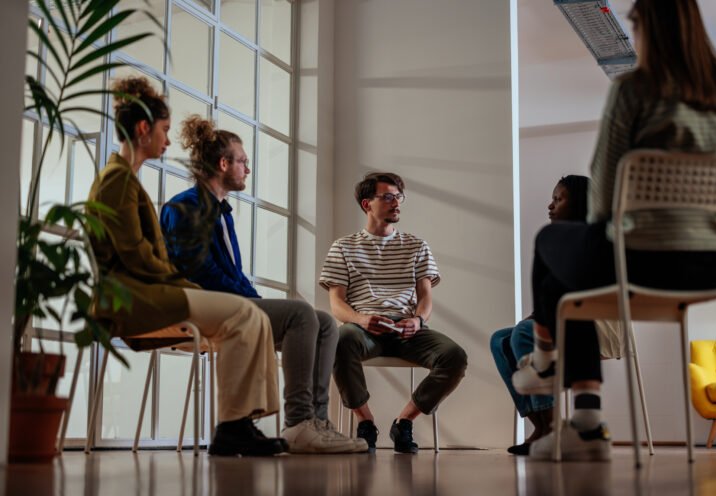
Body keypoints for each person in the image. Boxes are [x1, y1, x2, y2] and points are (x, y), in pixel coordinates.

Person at [513, 0, 716, 461]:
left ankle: (546, 361)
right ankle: (585, 423)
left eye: (635, 26)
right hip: (711, 267)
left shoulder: (635, 89)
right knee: (570, 281)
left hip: (643, 257)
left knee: (549, 242)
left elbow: (601, 197)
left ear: (645, 29)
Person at [87, 77, 286, 457]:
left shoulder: (126, 179)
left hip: (147, 292)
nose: (167, 140)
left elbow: (143, 255)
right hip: (131, 299)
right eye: (163, 130)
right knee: (245, 314)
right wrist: (184, 287)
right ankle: (233, 426)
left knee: (248, 314)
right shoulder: (116, 180)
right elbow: (135, 256)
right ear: (143, 129)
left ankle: (240, 423)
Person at [160, 115, 366, 454]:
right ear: (223, 163)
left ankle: (315, 421)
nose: (247, 170)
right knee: (300, 313)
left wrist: (249, 297)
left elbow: (230, 273)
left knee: (326, 322)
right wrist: (247, 298)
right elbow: (199, 271)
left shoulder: (221, 212)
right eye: (242, 161)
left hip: (230, 303)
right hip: (200, 308)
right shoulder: (185, 207)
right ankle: (298, 422)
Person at [320, 172, 468, 453]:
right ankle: (365, 422)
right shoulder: (343, 247)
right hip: (364, 328)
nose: (396, 203)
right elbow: (337, 304)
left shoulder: (416, 245)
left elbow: (426, 297)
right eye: (387, 197)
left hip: (408, 330)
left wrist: (418, 319)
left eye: (399, 197)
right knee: (340, 340)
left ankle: (403, 422)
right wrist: (362, 319)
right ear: (367, 204)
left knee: (455, 356)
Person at [490, 175, 588, 455]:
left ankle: (554, 427)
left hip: (588, 320)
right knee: (500, 339)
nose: (550, 205)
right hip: (556, 320)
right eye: (552, 198)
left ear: (579, 203)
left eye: (559, 199)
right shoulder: (554, 241)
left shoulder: (589, 240)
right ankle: (541, 425)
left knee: (523, 332)